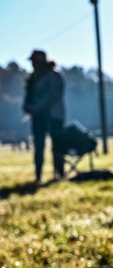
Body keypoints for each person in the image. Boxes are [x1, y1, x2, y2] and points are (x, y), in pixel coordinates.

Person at [23, 49, 66, 182]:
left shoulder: (54, 75)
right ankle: (38, 176)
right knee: (38, 147)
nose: (33, 65)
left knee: (57, 145)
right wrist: (26, 106)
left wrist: (36, 108)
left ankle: (60, 174)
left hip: (54, 116)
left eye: (34, 62)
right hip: (38, 117)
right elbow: (29, 96)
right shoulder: (33, 78)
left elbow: (52, 96)